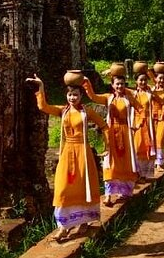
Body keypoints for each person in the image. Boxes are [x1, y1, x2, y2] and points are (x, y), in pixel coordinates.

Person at [26, 73, 108, 242]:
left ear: (81, 96)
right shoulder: (62, 111)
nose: (72, 98)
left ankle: (84, 221)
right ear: (66, 96)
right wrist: (40, 86)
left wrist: (107, 147)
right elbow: (43, 107)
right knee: (63, 188)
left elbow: (104, 126)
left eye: (76, 95)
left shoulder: (88, 112)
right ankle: (64, 226)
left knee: (83, 186)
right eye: (70, 95)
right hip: (67, 152)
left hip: (83, 153)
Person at [83, 73, 140, 206]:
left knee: (126, 160)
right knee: (110, 161)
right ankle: (108, 195)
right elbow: (93, 97)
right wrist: (87, 83)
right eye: (117, 84)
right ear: (112, 85)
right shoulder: (108, 98)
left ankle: (125, 192)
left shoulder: (129, 98)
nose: (120, 86)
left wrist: (137, 123)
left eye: (122, 84)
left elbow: (141, 109)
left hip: (126, 132)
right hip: (111, 132)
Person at [131, 70, 156, 180]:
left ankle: (146, 174)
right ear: (136, 81)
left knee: (149, 146)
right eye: (140, 80)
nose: (143, 82)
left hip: (148, 122)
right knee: (137, 147)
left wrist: (149, 71)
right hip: (136, 124)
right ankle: (138, 173)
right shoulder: (132, 94)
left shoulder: (149, 93)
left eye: (145, 80)